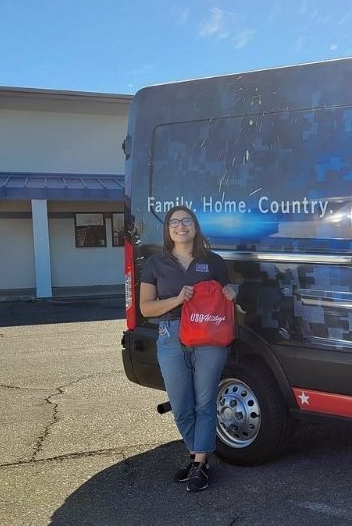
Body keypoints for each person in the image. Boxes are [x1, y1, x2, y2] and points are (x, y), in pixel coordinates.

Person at [139, 205, 237, 492]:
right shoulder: (155, 263)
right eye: (174, 222)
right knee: (181, 405)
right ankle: (198, 454)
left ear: (195, 226)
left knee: (204, 402)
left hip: (208, 335)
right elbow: (146, 307)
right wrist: (178, 299)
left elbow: (228, 293)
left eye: (186, 221)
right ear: (168, 230)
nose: (180, 226)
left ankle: (199, 461)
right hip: (170, 335)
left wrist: (234, 291)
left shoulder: (213, 261)